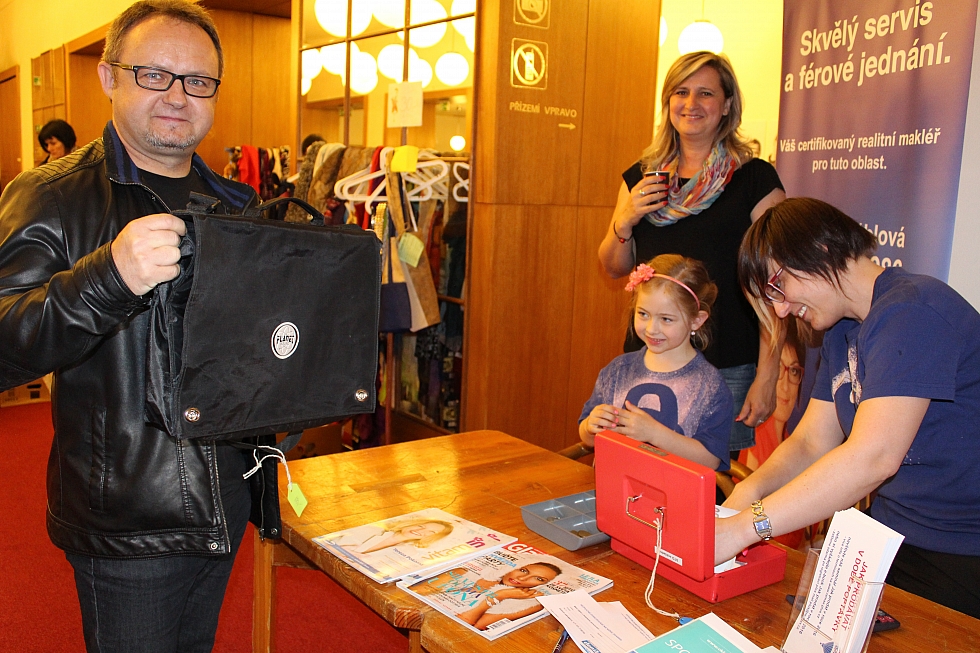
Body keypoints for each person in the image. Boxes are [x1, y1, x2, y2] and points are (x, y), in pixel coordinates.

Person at [0, 2, 281, 651]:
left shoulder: (237, 205)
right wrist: (109, 278)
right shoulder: (52, 195)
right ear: (109, 77)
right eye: (154, 74)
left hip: (226, 499)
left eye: (198, 80)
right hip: (127, 520)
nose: (178, 96)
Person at [717, 197, 980, 618]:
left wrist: (747, 527)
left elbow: (873, 458)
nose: (781, 309)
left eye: (778, 287)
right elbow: (810, 441)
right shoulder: (841, 330)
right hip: (894, 534)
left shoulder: (913, 311)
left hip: (958, 549)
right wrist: (748, 492)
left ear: (820, 249)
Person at [598, 51, 786, 459]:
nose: (691, 103)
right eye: (681, 92)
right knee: (638, 467)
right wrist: (626, 220)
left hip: (728, 362)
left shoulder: (754, 179)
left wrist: (768, 373)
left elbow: (776, 285)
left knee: (710, 480)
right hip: (650, 356)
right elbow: (612, 266)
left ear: (727, 105)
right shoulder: (642, 177)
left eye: (706, 93)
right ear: (668, 101)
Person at [579, 254, 733, 471]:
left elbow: (711, 460)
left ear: (696, 320)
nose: (651, 328)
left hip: (673, 491)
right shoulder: (618, 371)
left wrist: (654, 434)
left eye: (666, 319)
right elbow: (588, 438)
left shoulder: (710, 386)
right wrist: (590, 427)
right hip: (612, 486)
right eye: (643, 314)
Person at [412, 562, 561, 630]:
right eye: (523, 570)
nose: (522, 578)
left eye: (539, 579)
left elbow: (462, 626)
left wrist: (499, 595)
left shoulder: (529, 604)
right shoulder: (465, 573)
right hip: (412, 617)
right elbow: (411, 595)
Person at [330, 518, 454, 554]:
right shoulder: (371, 529)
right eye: (421, 526)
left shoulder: (408, 552)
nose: (420, 531)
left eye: (431, 532)